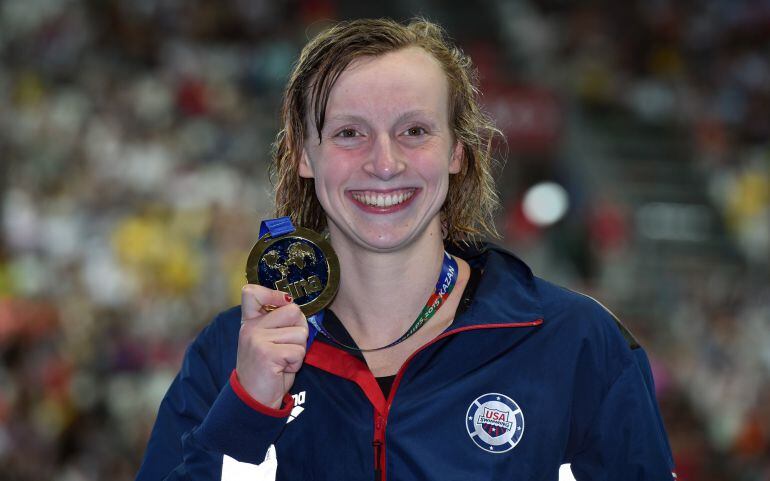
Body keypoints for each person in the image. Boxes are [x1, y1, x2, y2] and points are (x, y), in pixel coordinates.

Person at [136, 18, 676, 481]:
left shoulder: (574, 344)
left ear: (458, 152)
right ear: (305, 155)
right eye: (350, 133)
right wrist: (250, 408)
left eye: (415, 130)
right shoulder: (226, 355)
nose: (385, 162)